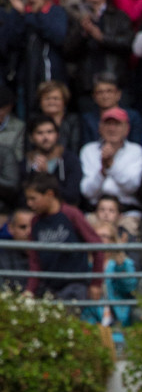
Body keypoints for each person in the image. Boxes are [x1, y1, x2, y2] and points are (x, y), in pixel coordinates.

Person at [25, 173, 104, 301]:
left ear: (50, 194)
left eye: (33, 198)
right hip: (48, 286)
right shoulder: (36, 222)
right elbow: (35, 260)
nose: (29, 203)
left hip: (74, 285)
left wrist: (96, 283)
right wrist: (30, 291)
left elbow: (97, 247)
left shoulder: (71, 215)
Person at [62, 0, 133, 104]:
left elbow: (128, 44)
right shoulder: (73, 16)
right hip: (87, 87)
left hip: (116, 86)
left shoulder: (120, 16)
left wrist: (102, 38)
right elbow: (67, 51)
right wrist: (83, 33)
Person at [79, 106, 142, 211]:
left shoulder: (136, 151)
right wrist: (102, 172)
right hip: (95, 210)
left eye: (117, 124)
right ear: (100, 128)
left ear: (126, 129)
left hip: (126, 210)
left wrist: (111, 166)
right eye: (108, 124)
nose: (112, 129)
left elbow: (132, 187)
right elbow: (87, 192)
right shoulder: (88, 150)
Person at [20, 114, 82, 207]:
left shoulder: (70, 160)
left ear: (57, 135)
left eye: (50, 132)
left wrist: (47, 175)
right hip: (32, 210)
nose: (45, 137)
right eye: (40, 133)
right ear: (31, 138)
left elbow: (72, 196)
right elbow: (20, 197)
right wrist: (35, 174)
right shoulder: (26, 162)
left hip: (63, 209)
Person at [34, 80, 82, 155]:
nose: (51, 102)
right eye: (47, 98)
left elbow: (75, 148)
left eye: (56, 98)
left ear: (64, 101)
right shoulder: (33, 122)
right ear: (40, 102)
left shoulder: (73, 121)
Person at [0, 207, 34, 289]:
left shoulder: (47, 256)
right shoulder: (2, 258)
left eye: (33, 226)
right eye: (23, 227)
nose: (29, 231)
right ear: (10, 228)